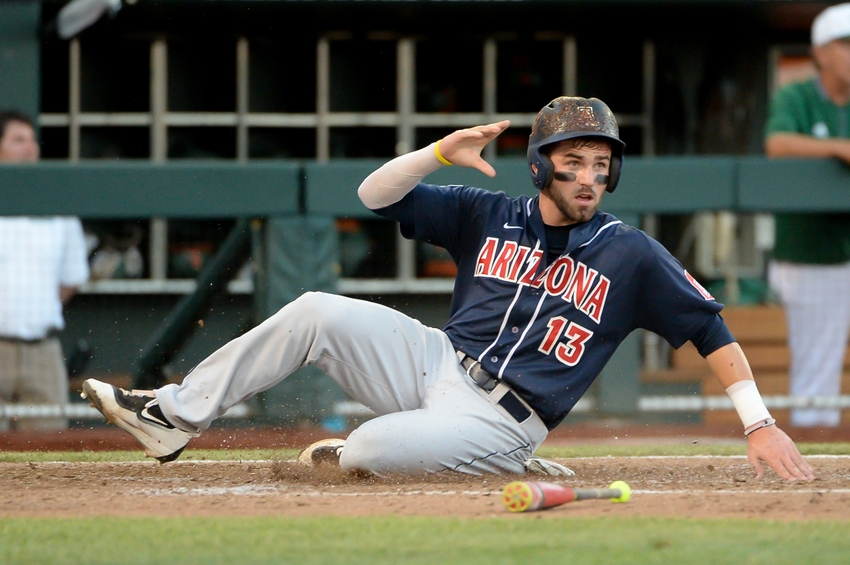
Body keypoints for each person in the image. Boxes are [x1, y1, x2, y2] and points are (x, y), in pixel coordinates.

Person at [83, 96, 814, 481]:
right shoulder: (487, 210)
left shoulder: (631, 252)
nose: (590, 174)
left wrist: (757, 422)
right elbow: (372, 195)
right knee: (313, 310)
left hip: (507, 416)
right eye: (574, 159)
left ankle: (487, 454)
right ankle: (172, 417)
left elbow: (711, 330)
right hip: (435, 362)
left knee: (363, 451)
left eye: (601, 162)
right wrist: (438, 153)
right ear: (538, 165)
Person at [765, 3, 850, 428]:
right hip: (811, 254)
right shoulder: (797, 95)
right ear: (820, 52)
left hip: (842, 247)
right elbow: (777, 144)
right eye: (845, 45)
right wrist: (836, 148)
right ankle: (812, 457)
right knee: (817, 365)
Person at [0, 110, 90, 431]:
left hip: (42, 350)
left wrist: (35, 309)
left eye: (32, 140)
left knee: (47, 451)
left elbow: (72, 278)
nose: (29, 148)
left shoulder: (56, 203)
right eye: (18, 140)